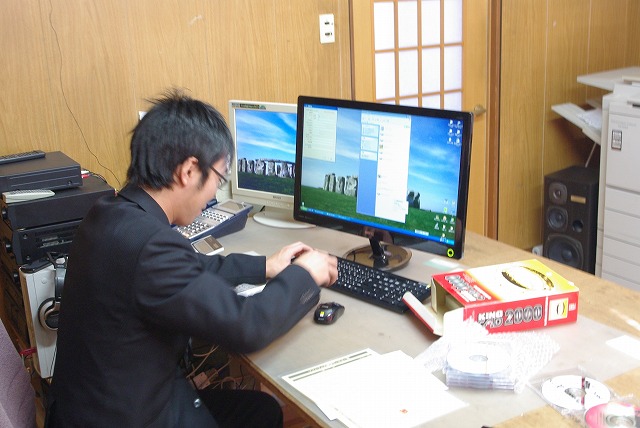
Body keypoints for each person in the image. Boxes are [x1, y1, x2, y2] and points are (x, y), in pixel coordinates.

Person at [46, 89, 338, 427]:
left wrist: (265, 266)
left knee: (262, 411)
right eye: (218, 178)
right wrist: (306, 274)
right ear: (188, 171)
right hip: (133, 417)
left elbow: (190, 267)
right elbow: (248, 326)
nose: (215, 191)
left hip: (95, 405)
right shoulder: (151, 246)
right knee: (261, 412)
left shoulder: (110, 214)